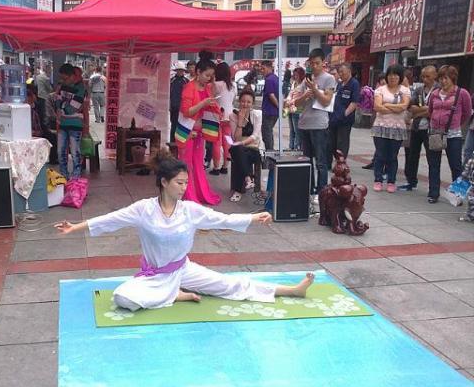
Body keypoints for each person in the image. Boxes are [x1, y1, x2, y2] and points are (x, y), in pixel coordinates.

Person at [55, 150, 315, 311]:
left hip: (183, 269)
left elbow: (221, 219)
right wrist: (74, 226)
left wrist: (252, 217)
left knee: (228, 285)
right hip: (154, 276)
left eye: (186, 183)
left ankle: (292, 290)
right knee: (123, 298)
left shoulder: (189, 210)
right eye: (179, 183)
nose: (183, 187)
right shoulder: (144, 209)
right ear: (164, 182)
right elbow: (111, 219)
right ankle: (174, 295)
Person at [176, 51, 221, 205]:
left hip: (199, 131)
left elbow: (208, 107)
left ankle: (200, 193)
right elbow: (186, 111)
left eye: (211, 76)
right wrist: (204, 103)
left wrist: (214, 106)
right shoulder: (189, 88)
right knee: (187, 164)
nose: (209, 79)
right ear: (198, 72)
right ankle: (189, 196)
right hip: (188, 131)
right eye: (207, 75)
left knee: (198, 164)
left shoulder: (206, 88)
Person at [294, 48, 336, 198]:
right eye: (311, 63)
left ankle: (322, 192)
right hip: (304, 123)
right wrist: (305, 94)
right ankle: (309, 189)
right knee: (307, 161)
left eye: (317, 63)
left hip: (319, 125)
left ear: (323, 63)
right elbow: (296, 103)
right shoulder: (306, 79)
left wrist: (315, 90)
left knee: (321, 161)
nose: (314, 66)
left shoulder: (329, 79)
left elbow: (326, 101)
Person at [427, 65, 472, 203]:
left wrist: (455, 123)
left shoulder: (461, 93)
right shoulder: (435, 93)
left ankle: (457, 195)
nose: (443, 81)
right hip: (435, 132)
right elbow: (430, 110)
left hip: (453, 134)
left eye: (446, 78)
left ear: (452, 78)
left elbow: (466, 112)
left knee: (455, 165)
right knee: (434, 164)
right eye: (441, 78)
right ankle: (433, 193)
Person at [371, 64, 411, 193]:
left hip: (398, 127)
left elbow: (404, 106)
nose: (392, 77)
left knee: (392, 156)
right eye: (390, 74)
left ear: (400, 77)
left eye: (395, 75)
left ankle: (391, 181)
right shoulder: (380, 90)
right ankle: (378, 179)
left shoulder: (405, 90)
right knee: (380, 155)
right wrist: (395, 108)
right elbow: (377, 107)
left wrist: (386, 105)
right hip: (381, 126)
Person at [399, 65, 438, 192]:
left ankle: (433, 189)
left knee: (432, 158)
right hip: (416, 127)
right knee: (412, 156)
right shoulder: (419, 89)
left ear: (435, 76)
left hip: (433, 130)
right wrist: (425, 110)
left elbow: (435, 110)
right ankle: (411, 181)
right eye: (423, 76)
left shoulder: (439, 90)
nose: (425, 79)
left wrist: (421, 111)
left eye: (428, 76)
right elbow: (411, 107)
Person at [51, 63, 90, 180]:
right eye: (61, 78)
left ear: (73, 76)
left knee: (75, 152)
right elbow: (56, 103)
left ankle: (76, 177)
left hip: (75, 124)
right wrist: (62, 105)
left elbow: (73, 107)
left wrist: (62, 107)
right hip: (62, 124)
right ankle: (63, 176)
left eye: (65, 78)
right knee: (60, 152)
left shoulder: (81, 89)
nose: (63, 81)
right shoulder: (62, 87)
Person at [228, 90, 263, 202]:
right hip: (240, 149)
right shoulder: (233, 116)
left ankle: (239, 190)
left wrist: (242, 143)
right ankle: (248, 178)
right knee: (238, 151)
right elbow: (235, 138)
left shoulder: (257, 115)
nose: (245, 104)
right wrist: (240, 121)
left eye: (248, 102)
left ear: (252, 103)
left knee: (237, 151)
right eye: (243, 101)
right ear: (239, 102)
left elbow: (255, 136)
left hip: (254, 148)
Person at [328, 63, 360, 167]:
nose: (341, 74)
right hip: (333, 118)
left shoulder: (354, 84)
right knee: (332, 142)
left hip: (344, 120)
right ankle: (335, 161)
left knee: (342, 143)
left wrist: (344, 114)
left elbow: (354, 102)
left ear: (349, 71)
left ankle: (340, 164)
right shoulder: (339, 84)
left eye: (343, 72)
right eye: (339, 72)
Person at [210, 61, 235, 175]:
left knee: (216, 142)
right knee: (228, 141)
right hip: (230, 117)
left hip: (218, 116)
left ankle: (216, 167)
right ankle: (225, 166)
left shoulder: (217, 84)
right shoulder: (233, 86)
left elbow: (212, 98)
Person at [260, 60, 279, 151]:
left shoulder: (269, 79)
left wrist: (279, 106)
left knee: (266, 134)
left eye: (263, 69)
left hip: (269, 111)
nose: (262, 71)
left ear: (270, 68)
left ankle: (270, 153)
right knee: (268, 133)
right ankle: (270, 151)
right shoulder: (276, 78)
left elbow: (271, 95)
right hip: (274, 112)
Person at [285, 67, 305, 151]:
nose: (295, 76)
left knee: (297, 131)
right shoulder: (294, 83)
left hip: (298, 109)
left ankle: (296, 147)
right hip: (290, 108)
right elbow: (290, 93)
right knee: (292, 130)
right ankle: (291, 146)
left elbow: (301, 96)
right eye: (294, 75)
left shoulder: (304, 84)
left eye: (297, 75)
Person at [169, 62, 189, 143]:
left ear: (183, 71)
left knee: (182, 127)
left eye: (181, 70)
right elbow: (169, 94)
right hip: (174, 107)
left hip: (183, 108)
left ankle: (181, 143)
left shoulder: (186, 81)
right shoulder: (171, 80)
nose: (180, 72)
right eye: (178, 70)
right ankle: (172, 143)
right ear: (176, 71)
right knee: (173, 126)